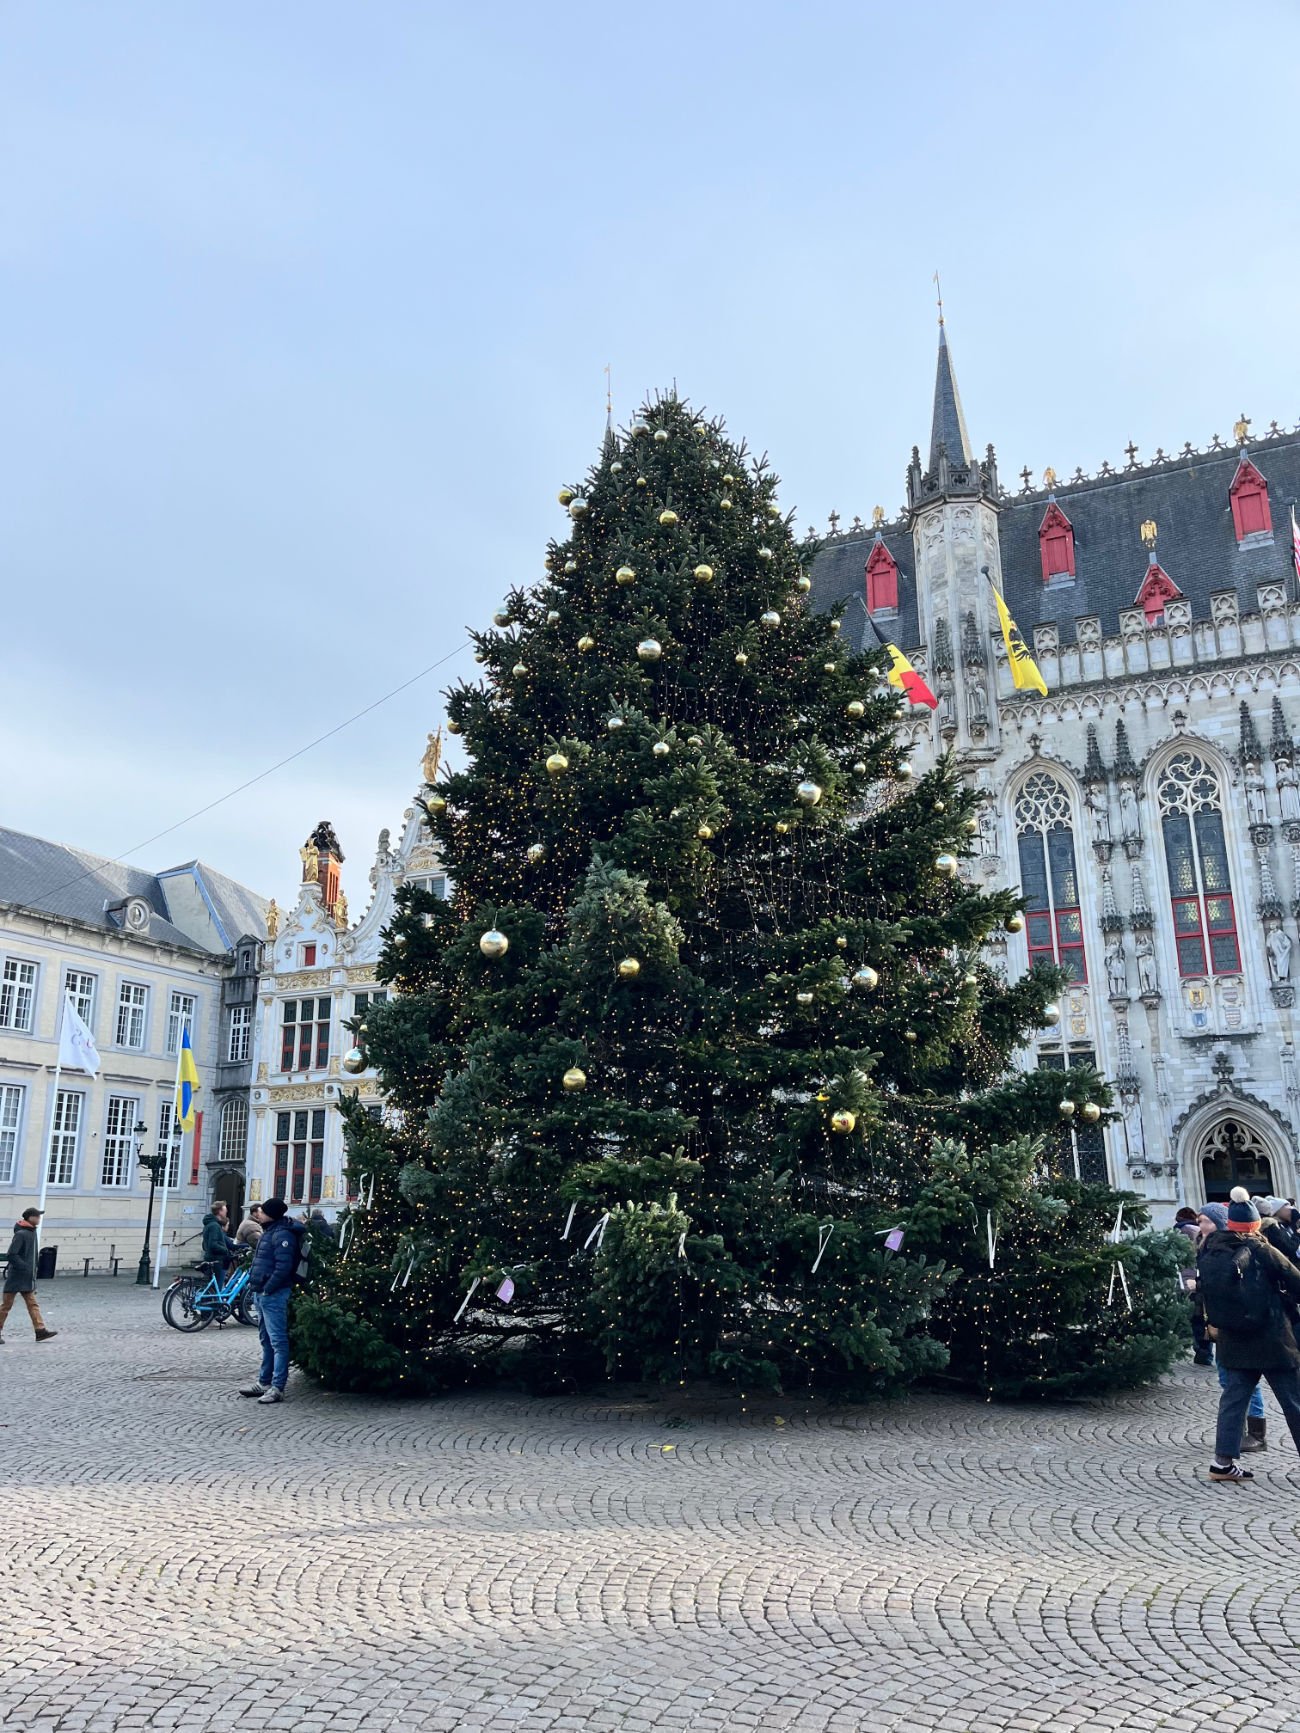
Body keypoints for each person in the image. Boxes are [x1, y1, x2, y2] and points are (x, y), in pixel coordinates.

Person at [1198, 1187, 1300, 1482]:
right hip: (1271, 1338)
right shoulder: (1261, 1248)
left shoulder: (1210, 1248)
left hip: (1233, 1338)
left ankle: (1222, 1463)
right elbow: (1295, 1281)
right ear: (1255, 1224)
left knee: (1233, 1400)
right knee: (1293, 1401)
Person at [1195, 1203, 1267, 1445]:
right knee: (1228, 1379)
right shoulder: (1205, 1247)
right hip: (1218, 1322)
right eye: (1200, 1221)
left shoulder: (1236, 1249)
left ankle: (1256, 1431)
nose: (1201, 1226)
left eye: (1205, 1221)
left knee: (1242, 1378)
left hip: (1237, 1323)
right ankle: (1238, 1430)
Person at [239, 1199, 306, 1406]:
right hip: (261, 1292)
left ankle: (277, 1387)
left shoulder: (283, 1234)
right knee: (266, 1340)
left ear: (272, 1214)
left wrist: (268, 1288)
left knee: (277, 1341)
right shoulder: (270, 1230)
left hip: (274, 1294)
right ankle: (264, 1382)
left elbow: (283, 1267)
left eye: (263, 1210)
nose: (259, 1212)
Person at [0, 1208, 58, 1344]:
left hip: (27, 1277)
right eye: (37, 1216)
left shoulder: (32, 1233)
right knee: (6, 1306)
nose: (39, 1218)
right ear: (30, 1218)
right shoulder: (21, 1234)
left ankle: (40, 1330)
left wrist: (31, 1271)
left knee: (33, 1304)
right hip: (16, 1277)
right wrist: (24, 1267)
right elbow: (12, 1254)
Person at [1174, 1208, 1212, 1365]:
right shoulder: (1195, 1231)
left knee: (1197, 1317)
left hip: (1186, 1280)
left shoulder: (1178, 1232)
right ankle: (1205, 1352)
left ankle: (1202, 1351)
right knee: (1202, 1316)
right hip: (1196, 1280)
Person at [200, 1202, 238, 1276]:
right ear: (220, 1212)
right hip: (216, 1260)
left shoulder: (210, 1224)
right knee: (217, 1286)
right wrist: (225, 1250)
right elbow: (213, 1245)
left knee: (211, 1285)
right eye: (225, 1210)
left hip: (210, 1258)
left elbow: (205, 1244)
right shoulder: (215, 1226)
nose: (227, 1211)